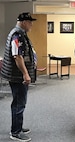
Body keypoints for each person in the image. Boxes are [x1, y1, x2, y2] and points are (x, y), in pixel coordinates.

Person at [1, 12, 37, 142]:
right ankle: (15, 132)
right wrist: (25, 74)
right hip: (17, 76)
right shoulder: (17, 34)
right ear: (23, 22)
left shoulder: (20, 33)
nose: (31, 24)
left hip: (16, 75)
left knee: (20, 102)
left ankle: (18, 127)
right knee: (18, 103)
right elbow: (17, 56)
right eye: (30, 22)